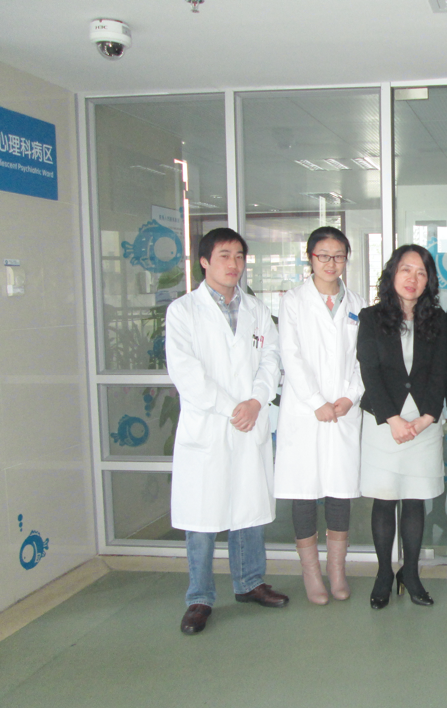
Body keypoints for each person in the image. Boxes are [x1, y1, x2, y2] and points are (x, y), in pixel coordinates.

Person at [166, 228, 287, 635]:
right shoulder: (183, 311)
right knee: (202, 516)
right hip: (209, 424)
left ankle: (250, 582)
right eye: (224, 255)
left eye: (239, 256)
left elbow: (271, 358)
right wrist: (230, 408)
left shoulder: (256, 309)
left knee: (248, 508)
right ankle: (199, 597)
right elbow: (186, 372)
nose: (233, 264)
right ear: (204, 261)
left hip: (249, 420)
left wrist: (256, 401)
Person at [274, 227, 367, 604]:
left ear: (346, 259)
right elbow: (290, 354)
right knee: (304, 491)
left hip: (343, 410)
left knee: (339, 491)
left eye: (339, 256)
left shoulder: (357, 303)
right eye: (323, 256)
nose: (331, 263)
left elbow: (364, 358)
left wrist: (350, 397)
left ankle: (337, 570)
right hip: (305, 412)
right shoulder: (293, 301)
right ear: (309, 258)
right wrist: (316, 400)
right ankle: (311, 574)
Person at [357, 244, 447, 609]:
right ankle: (384, 573)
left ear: (429, 281)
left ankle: (410, 574)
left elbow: (442, 371)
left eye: (421, 272)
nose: (413, 278)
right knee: (384, 499)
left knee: (414, 500)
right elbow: (369, 370)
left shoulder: (438, 320)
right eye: (406, 270)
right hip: (384, 422)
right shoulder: (371, 317)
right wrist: (393, 419)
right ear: (392, 274)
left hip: (423, 423)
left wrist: (426, 418)